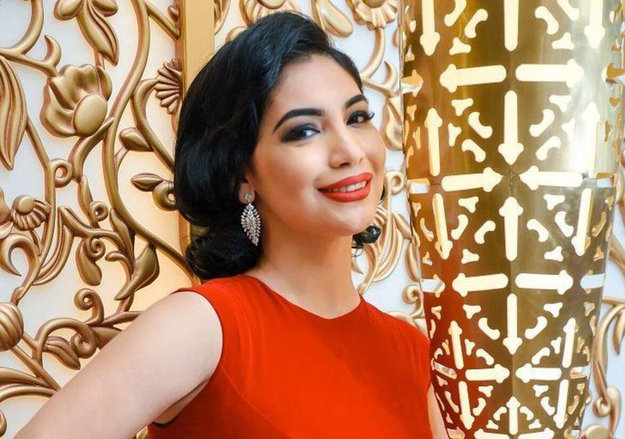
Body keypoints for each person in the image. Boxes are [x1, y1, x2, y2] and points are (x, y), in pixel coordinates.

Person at [16, 11, 447, 438]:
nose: (350, 151)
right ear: (242, 175)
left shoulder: (410, 350)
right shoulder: (203, 326)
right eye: (304, 131)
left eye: (357, 118)